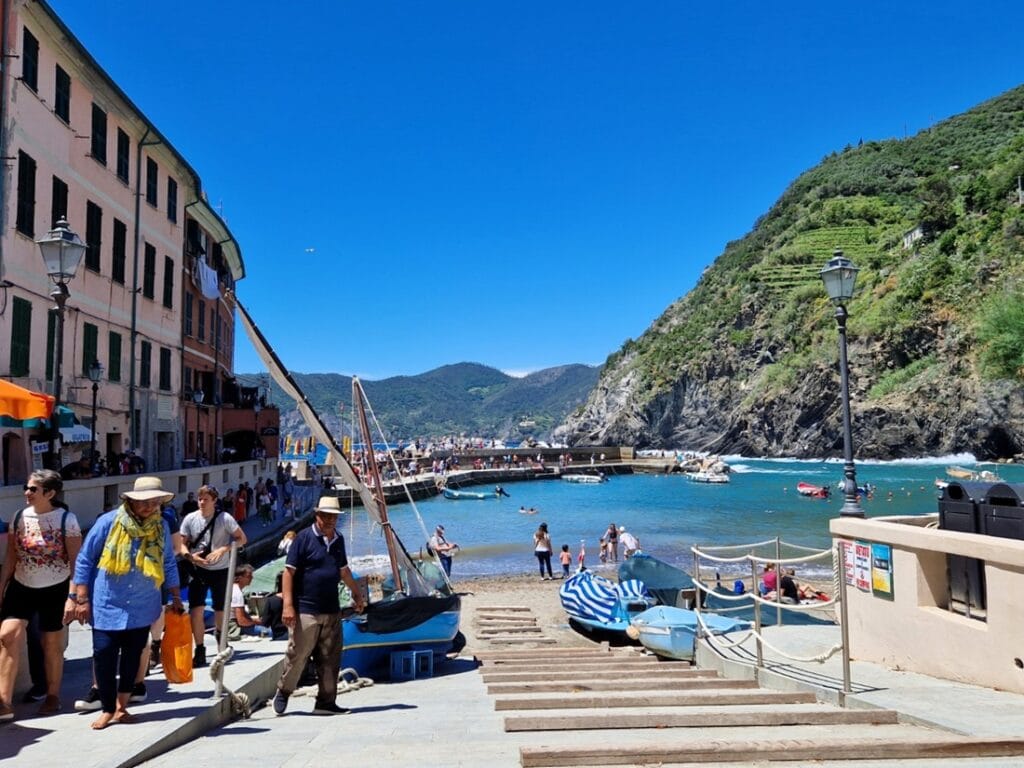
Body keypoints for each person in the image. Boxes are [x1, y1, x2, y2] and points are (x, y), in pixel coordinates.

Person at [70, 476, 183, 730]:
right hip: (107, 602)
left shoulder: (161, 527)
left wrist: (176, 595)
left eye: (155, 502)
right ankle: (107, 708)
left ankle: (122, 707)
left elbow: (167, 562)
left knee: (133, 658)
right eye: (144, 502)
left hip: (143, 604)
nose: (149, 507)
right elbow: (85, 560)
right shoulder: (108, 523)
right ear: (131, 500)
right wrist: (80, 598)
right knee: (104, 656)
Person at [0, 470, 83, 720]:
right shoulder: (18, 517)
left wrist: (73, 596)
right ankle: (3, 702)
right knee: (7, 635)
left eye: (33, 489)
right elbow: (11, 557)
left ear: (49, 493)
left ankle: (52, 696)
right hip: (22, 584)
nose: (27, 493)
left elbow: (76, 562)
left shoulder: (66, 520)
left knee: (51, 645)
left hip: (55, 587)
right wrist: (1, 586)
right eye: (26, 488)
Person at [272, 496, 366, 716]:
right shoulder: (303, 539)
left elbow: (343, 570)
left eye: (334, 516)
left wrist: (357, 593)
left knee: (331, 658)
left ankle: (325, 702)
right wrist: (288, 606)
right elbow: (288, 572)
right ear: (318, 516)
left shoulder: (339, 540)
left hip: (332, 608)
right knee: (298, 654)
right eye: (326, 516)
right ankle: (284, 691)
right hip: (306, 608)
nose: (331, 520)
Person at [179, 485, 247, 668]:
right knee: (196, 610)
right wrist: (189, 556)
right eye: (200, 499)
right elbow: (182, 544)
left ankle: (221, 644)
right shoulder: (190, 519)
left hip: (221, 569)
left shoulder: (225, 518)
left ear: (214, 501)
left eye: (206, 499)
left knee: (220, 610)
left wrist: (224, 549)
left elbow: (242, 538)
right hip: (197, 569)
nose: (202, 502)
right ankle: (199, 649)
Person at [227, 564, 270, 640]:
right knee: (272, 632)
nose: (251, 578)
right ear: (239, 578)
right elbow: (242, 621)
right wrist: (256, 622)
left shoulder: (232, 589)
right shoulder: (237, 593)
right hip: (236, 628)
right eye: (249, 576)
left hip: (231, 625)